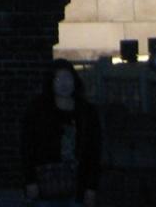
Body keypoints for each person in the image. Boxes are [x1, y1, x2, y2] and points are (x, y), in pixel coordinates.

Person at [21, 58, 101, 205]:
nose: (64, 84)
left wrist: (91, 187)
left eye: (67, 78)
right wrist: (30, 180)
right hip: (46, 183)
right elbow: (27, 146)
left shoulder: (87, 112)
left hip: (78, 185)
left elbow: (94, 150)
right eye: (58, 79)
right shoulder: (37, 110)